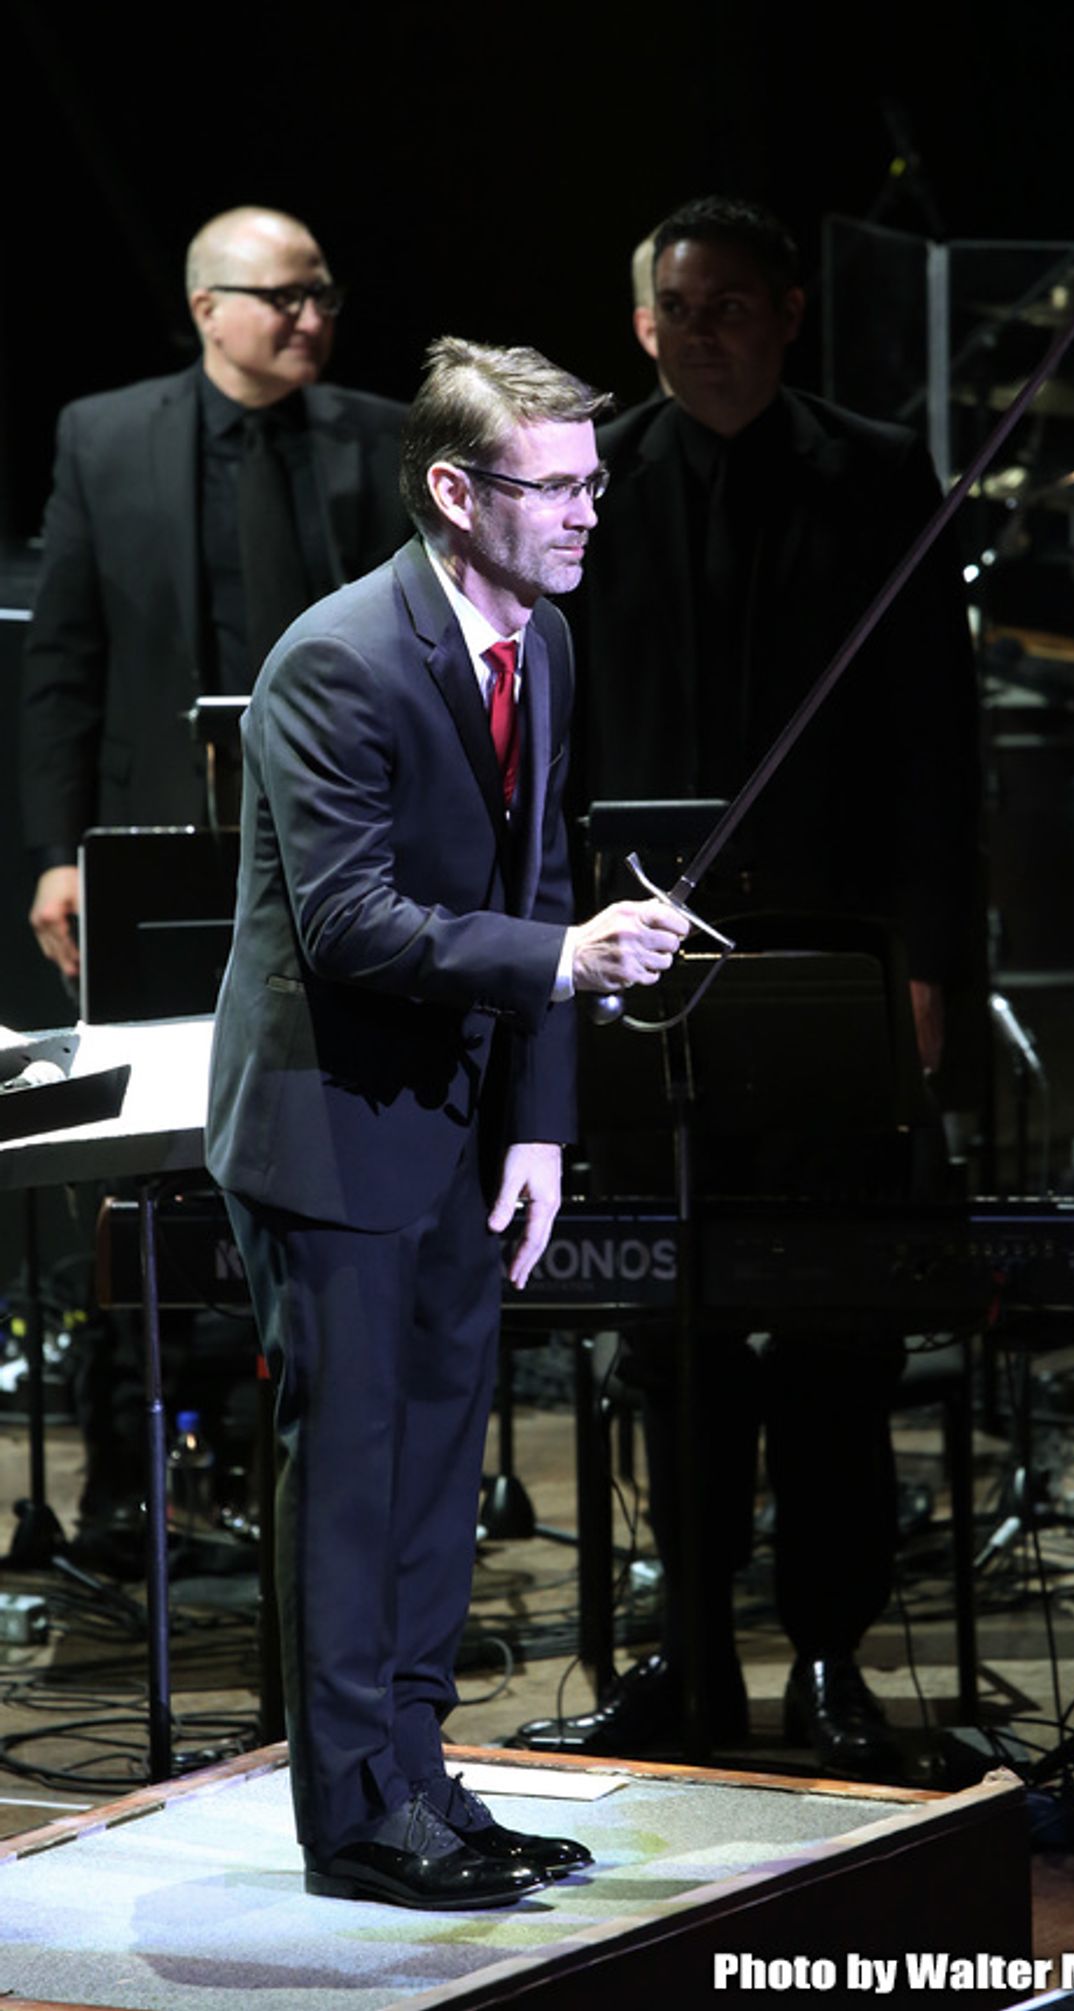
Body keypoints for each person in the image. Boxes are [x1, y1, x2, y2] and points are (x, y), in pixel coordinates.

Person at [205, 336, 687, 1908]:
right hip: (331, 1126)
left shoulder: (545, 643)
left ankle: (418, 1777)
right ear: (455, 490)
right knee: (353, 1478)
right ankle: (352, 1814)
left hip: (465, 1130)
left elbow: (539, 877)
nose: (587, 514)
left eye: (594, 485)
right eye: (555, 489)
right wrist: (562, 960)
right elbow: (348, 920)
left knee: (434, 1477)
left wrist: (540, 1125)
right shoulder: (337, 659)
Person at [515, 197, 980, 1780]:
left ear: (788, 313)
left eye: (733, 303)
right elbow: (544, 732)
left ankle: (835, 1652)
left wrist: (928, 958)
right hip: (640, 963)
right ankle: (690, 1651)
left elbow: (936, 738)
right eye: (678, 307)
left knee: (838, 1320)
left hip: (837, 961)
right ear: (642, 327)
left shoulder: (879, 469)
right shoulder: (590, 475)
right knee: (672, 1327)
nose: (704, 331)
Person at [21, 204, 408, 982]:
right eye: (284, 299)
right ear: (207, 310)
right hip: (164, 816)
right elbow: (64, 661)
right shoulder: (104, 438)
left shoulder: (385, 436)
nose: (311, 320)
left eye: (322, 297)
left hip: (354, 821)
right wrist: (60, 853)